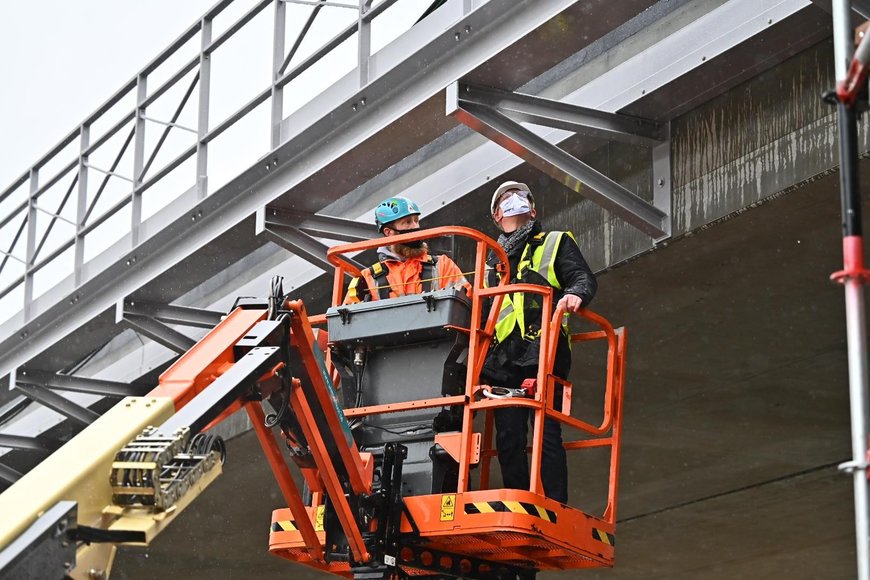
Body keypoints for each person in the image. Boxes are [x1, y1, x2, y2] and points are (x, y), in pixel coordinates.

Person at [481, 181, 597, 504]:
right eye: (506, 198)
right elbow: (482, 315)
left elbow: (583, 278)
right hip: (504, 359)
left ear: (533, 210)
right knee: (508, 438)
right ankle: (519, 504)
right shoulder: (490, 265)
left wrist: (575, 295)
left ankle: (554, 506)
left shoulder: (555, 243)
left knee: (546, 432)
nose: (514, 200)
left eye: (521, 197)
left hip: (545, 351)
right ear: (496, 215)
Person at [344, 196, 470, 303]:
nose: (415, 227)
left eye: (416, 221)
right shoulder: (368, 278)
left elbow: (467, 305)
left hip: (440, 332)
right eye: (407, 222)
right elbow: (347, 322)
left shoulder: (442, 265)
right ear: (389, 232)